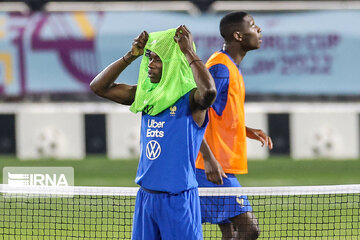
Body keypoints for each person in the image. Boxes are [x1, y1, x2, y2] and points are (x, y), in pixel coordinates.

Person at [90, 25, 216, 240]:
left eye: (157, 59)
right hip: (146, 198)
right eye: (149, 58)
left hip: (178, 200)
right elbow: (98, 87)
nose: (150, 65)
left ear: (172, 62)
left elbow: (210, 92)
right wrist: (131, 55)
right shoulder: (145, 95)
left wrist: (188, 52)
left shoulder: (191, 99)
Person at [195, 12, 273, 240]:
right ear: (238, 35)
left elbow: (217, 114)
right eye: (253, 26)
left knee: (230, 233)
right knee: (249, 230)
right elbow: (195, 114)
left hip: (219, 165)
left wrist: (246, 130)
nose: (259, 30)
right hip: (210, 168)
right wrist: (209, 159)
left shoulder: (229, 66)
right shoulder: (219, 69)